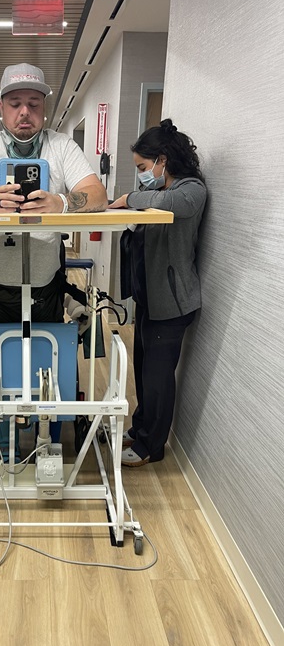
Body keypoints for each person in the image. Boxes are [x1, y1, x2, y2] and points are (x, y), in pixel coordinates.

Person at [0, 63, 107, 459]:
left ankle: (56, 430)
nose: (24, 112)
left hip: (45, 287)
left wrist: (61, 202)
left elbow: (96, 194)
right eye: (15, 103)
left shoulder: (63, 148)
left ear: (44, 107)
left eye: (33, 103)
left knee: (48, 361)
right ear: (1, 108)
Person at [108, 118, 207, 467]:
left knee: (158, 378)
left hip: (174, 302)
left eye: (142, 166)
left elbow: (174, 204)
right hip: (150, 298)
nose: (140, 174)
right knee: (143, 370)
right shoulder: (163, 192)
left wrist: (128, 199)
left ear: (162, 159)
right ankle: (140, 428)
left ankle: (153, 447)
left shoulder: (191, 190)